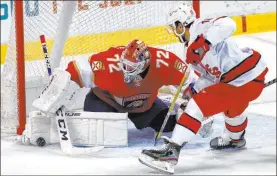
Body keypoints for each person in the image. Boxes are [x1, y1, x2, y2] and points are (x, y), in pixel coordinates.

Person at [138, 2, 268, 174]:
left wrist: (204, 43)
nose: (174, 32)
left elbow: (229, 24)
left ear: (182, 23)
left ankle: (171, 151)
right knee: (231, 109)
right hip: (240, 82)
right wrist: (195, 87)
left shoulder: (201, 26)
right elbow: (211, 76)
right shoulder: (190, 50)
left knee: (197, 106)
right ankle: (235, 139)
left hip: (243, 75)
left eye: (175, 26)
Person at [32, 39, 191, 135]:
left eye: (133, 68)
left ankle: (169, 107)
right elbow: (70, 74)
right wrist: (53, 96)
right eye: (125, 66)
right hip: (106, 102)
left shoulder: (164, 62)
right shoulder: (106, 63)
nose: (127, 71)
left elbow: (190, 82)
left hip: (144, 104)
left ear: (146, 65)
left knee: (169, 126)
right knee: (100, 134)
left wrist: (190, 105)